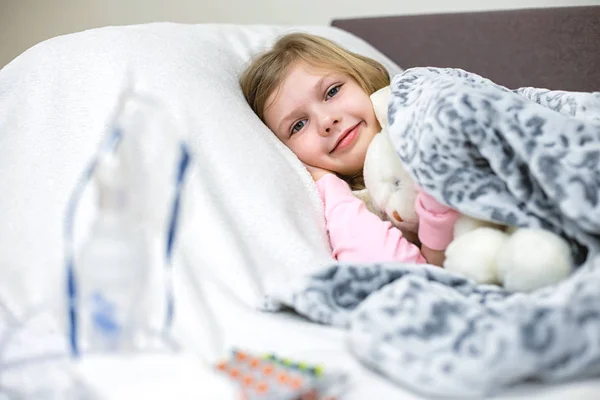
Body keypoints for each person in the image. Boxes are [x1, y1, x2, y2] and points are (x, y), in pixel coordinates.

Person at [240, 32, 458, 266]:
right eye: (298, 125)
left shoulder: (425, 113)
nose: (326, 121)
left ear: (362, 78)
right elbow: (392, 271)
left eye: (332, 91)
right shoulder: (354, 206)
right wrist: (327, 185)